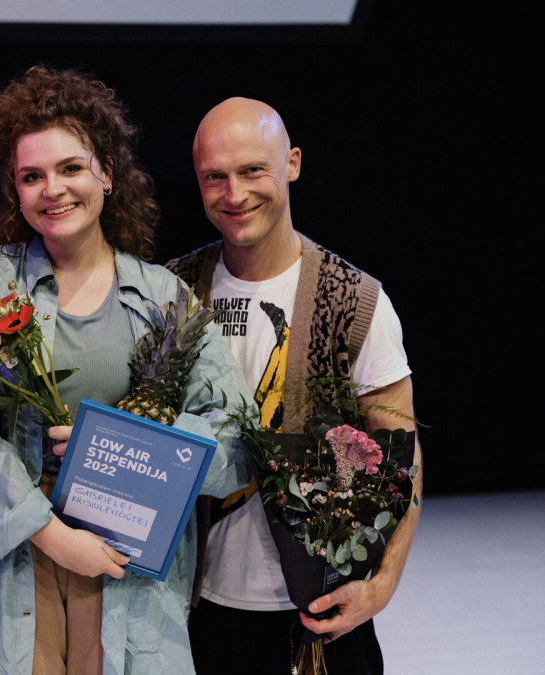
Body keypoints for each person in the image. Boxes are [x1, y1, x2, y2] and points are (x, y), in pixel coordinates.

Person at [0, 66, 251, 675]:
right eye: (32, 176)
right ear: (15, 192)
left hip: (129, 564)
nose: (52, 189)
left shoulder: (164, 297)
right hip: (19, 558)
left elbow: (233, 437)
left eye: (71, 168)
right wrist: (49, 533)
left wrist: (130, 451)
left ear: (107, 173)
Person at [169, 97, 423, 674]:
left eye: (253, 170)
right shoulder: (173, 291)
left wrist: (381, 586)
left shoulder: (357, 300)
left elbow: (402, 453)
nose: (234, 194)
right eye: (215, 176)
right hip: (194, 612)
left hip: (321, 618)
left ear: (293, 164)